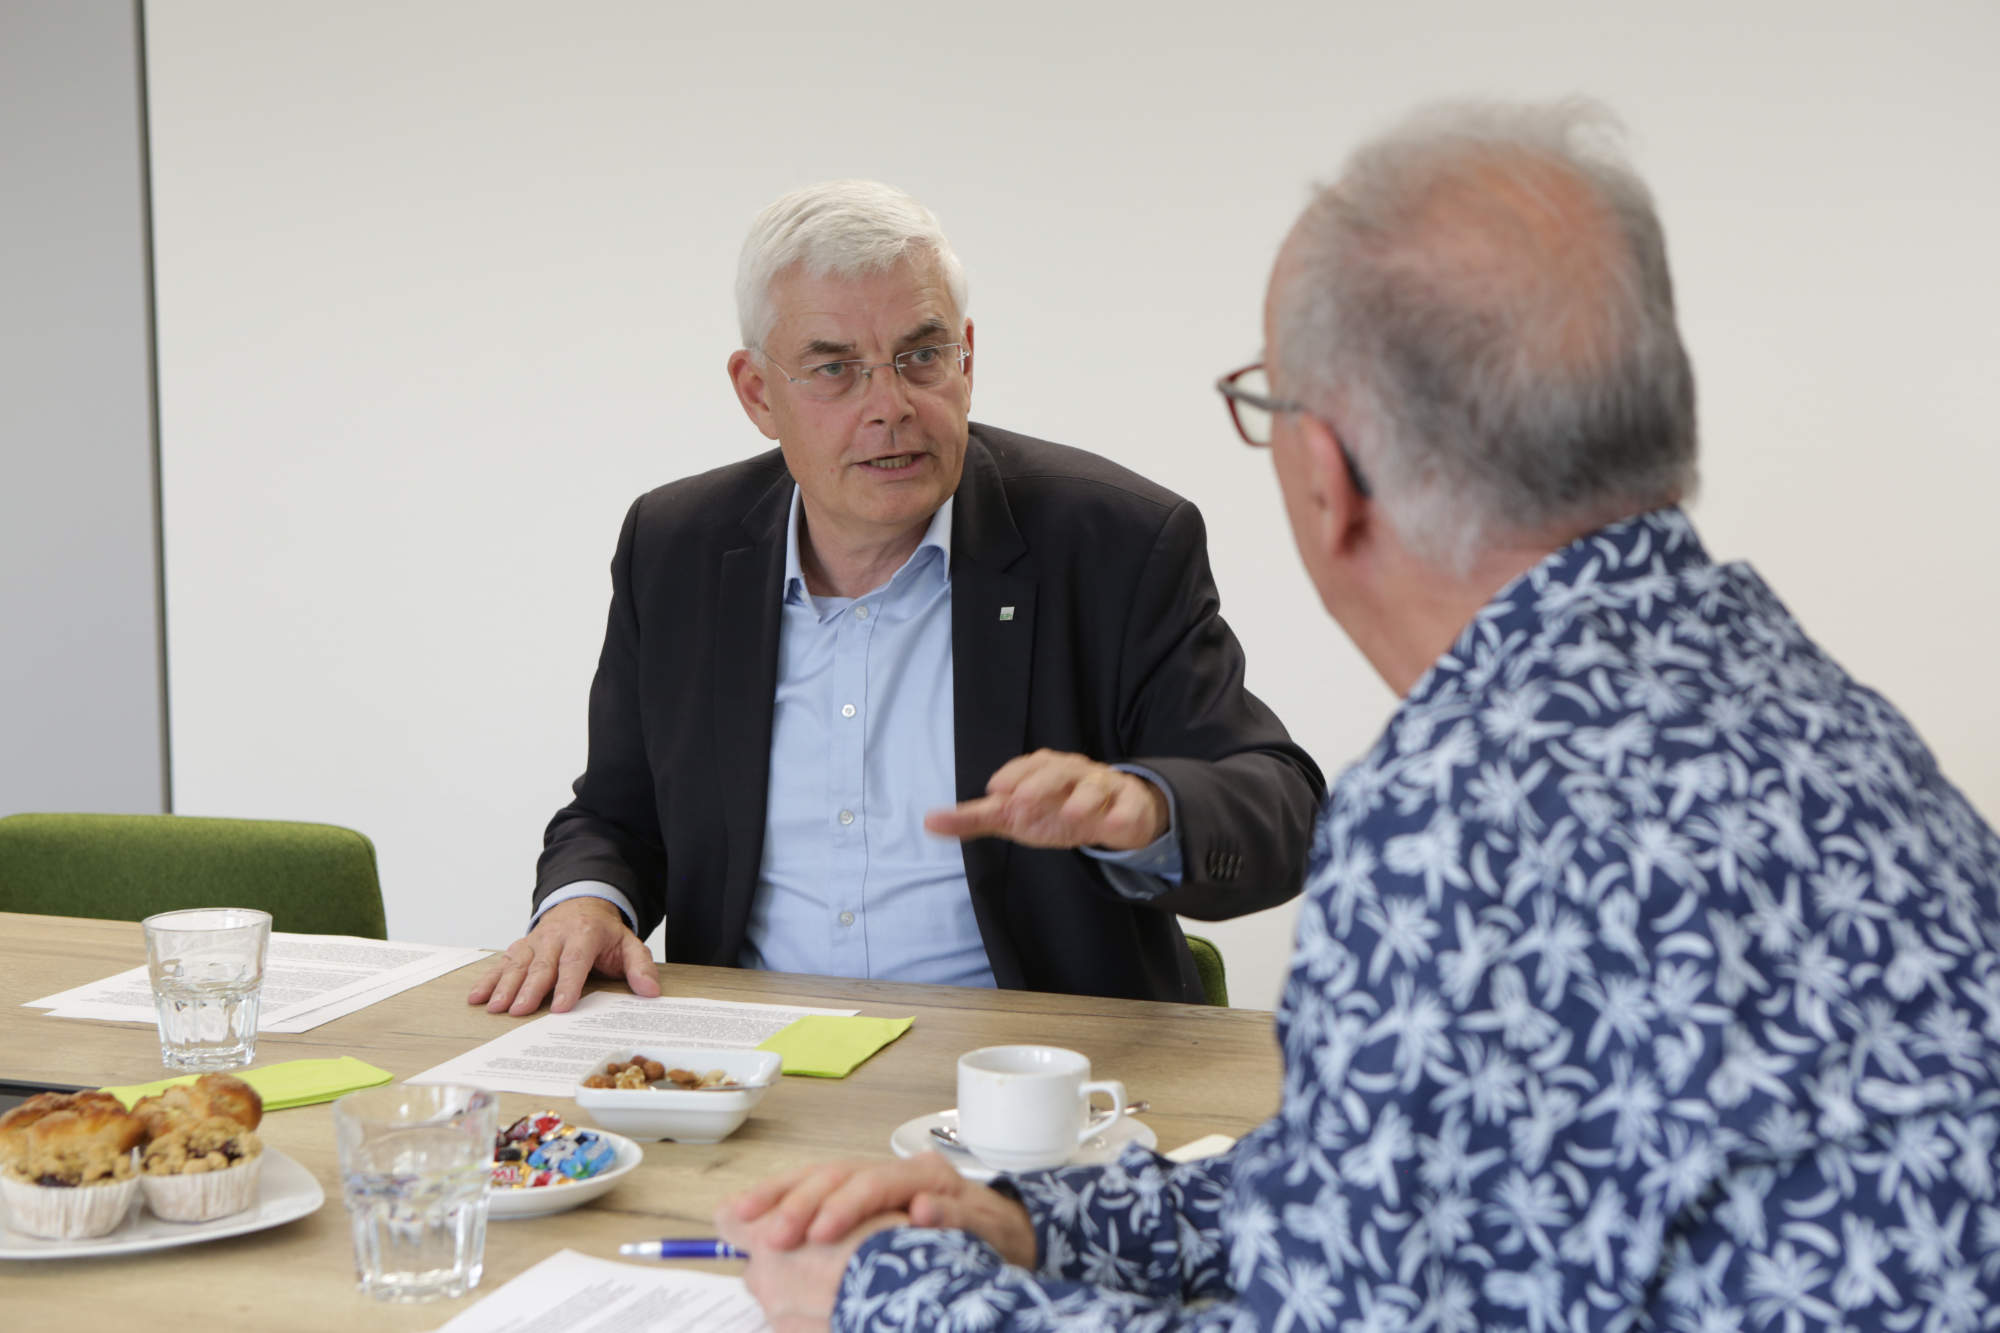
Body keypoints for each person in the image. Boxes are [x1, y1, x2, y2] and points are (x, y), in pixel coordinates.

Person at [713, 101, 2000, 1330]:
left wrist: (894, 1301)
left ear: (1325, 472)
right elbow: (1397, 1185)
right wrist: (1041, 1222)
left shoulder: (1465, 812)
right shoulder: (1789, 696)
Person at [469, 180, 1324, 1015]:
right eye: (834, 369)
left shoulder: (1113, 544)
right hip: (752, 1064)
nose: (891, 406)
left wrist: (1149, 807)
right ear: (758, 392)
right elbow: (617, 813)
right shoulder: (676, 548)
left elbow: (1283, 807)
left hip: (1028, 1072)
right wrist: (587, 901)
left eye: (921, 356)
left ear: (967, 358)